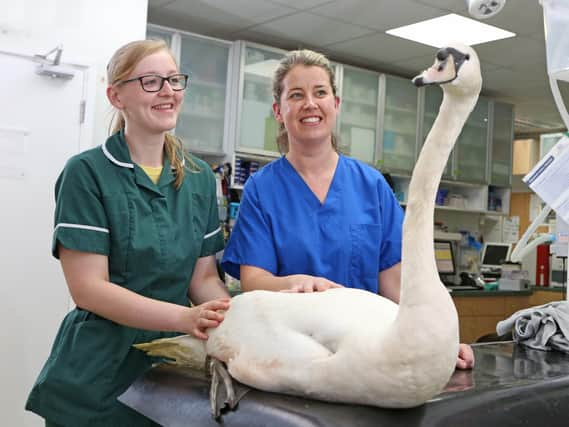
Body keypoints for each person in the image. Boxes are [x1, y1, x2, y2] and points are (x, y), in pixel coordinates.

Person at [221, 49, 474, 370]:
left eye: (320, 92)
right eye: (296, 95)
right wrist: (296, 284)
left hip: (367, 350)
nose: (310, 104)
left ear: (336, 105)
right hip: (292, 350)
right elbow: (253, 280)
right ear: (278, 110)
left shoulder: (372, 186)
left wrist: (436, 342)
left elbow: (394, 284)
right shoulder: (261, 189)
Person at [26, 39, 230, 426]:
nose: (168, 91)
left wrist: (230, 321)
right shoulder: (87, 173)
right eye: (151, 81)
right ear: (116, 96)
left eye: (174, 79)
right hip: (98, 373)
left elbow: (202, 278)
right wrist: (185, 319)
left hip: (170, 375)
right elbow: (89, 289)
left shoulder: (200, 179)